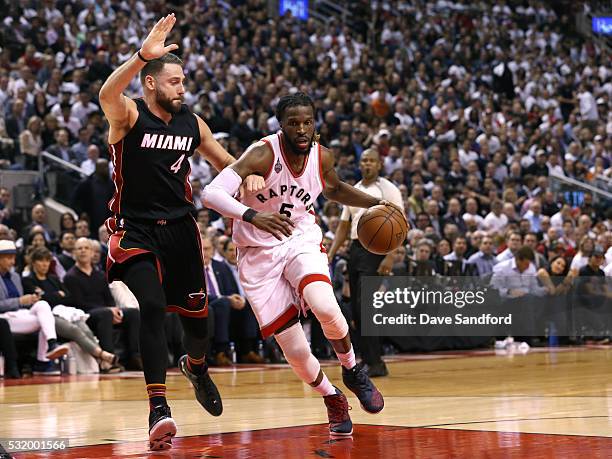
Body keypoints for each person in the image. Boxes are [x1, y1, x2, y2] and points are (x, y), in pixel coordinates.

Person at [97, 14, 263, 450]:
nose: (182, 88)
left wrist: (247, 178)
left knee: (199, 322)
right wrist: (140, 57)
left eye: (183, 81)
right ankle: (158, 408)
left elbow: (227, 161)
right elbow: (106, 92)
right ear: (151, 84)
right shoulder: (129, 114)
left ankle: (196, 367)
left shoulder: (192, 122)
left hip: (181, 230)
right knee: (152, 305)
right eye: (173, 81)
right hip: (134, 230)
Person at [203, 92, 398, 436]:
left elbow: (334, 189)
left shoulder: (322, 157)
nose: (302, 129)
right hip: (257, 252)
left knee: (324, 303)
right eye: (294, 123)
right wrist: (251, 215)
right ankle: (332, 396)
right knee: (294, 349)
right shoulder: (262, 153)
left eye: (308, 121)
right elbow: (211, 195)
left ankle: (352, 369)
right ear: (281, 126)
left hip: (299, 238)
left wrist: (376, 202)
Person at [328, 148, 403, 377]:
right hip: (356, 249)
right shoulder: (355, 190)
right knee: (357, 311)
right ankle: (368, 360)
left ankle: (376, 362)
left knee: (366, 308)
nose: (367, 164)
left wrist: (390, 256)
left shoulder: (388, 188)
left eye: (371, 161)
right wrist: (330, 254)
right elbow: (343, 226)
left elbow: (400, 223)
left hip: (377, 250)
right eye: (364, 161)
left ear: (379, 164)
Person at [0, 240, 70, 375]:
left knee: (43, 306)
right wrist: (19, 300)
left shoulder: (15, 276)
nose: (12, 261)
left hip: (20, 314)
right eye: (8, 257)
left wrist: (30, 300)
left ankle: (51, 344)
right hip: (4, 318)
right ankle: (42, 362)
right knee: (45, 321)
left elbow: (22, 302)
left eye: (13, 257)